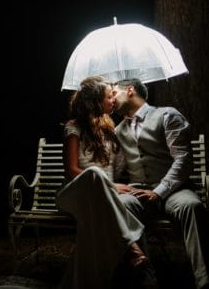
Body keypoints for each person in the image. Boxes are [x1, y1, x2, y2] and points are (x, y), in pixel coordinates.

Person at [111, 78, 209, 289]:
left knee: (192, 206)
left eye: (114, 92)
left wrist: (159, 192)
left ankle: (206, 281)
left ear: (130, 90)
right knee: (120, 205)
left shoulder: (167, 115)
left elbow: (183, 160)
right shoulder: (119, 130)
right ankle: (146, 281)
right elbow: (116, 168)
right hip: (138, 191)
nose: (111, 99)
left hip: (174, 190)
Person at [56, 76, 156, 289]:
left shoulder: (111, 129)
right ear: (95, 101)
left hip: (103, 197)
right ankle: (132, 248)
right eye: (109, 96)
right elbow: (72, 170)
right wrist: (111, 186)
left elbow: (118, 168)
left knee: (117, 203)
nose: (113, 100)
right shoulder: (74, 127)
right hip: (74, 195)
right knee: (93, 173)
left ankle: (139, 278)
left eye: (113, 96)